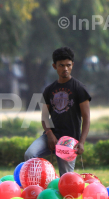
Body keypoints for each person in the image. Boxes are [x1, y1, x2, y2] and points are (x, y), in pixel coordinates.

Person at [24, 47, 91, 176]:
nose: (65, 68)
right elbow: (44, 116)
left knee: (65, 176)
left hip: (69, 140)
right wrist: (49, 134)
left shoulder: (79, 88)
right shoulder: (49, 89)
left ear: (72, 65)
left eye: (68, 65)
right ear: (54, 66)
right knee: (30, 154)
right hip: (50, 136)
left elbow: (86, 118)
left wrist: (81, 142)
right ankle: (37, 188)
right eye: (61, 65)